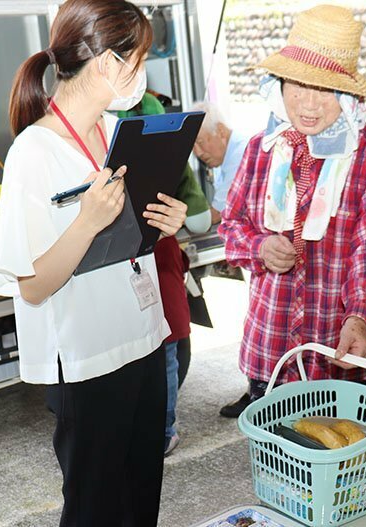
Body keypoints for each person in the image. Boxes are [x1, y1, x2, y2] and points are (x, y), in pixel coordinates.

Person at [0, 1, 187, 525]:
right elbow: (31, 286)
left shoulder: (120, 132)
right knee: (95, 509)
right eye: (137, 60)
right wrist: (86, 221)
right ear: (105, 64)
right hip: (87, 361)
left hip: (142, 339)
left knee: (142, 498)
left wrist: (165, 219)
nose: (141, 74)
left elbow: (130, 240)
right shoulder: (35, 152)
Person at [218, 4, 366, 418]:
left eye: (323, 89)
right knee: (277, 463)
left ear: (348, 94)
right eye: (296, 87)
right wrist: (260, 247)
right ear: (278, 85)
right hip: (273, 346)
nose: (308, 104)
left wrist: (359, 318)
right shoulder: (262, 148)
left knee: (343, 465)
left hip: (341, 351)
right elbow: (230, 227)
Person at [119, 91, 212, 455]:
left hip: (152, 260)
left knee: (162, 352)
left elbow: (197, 215)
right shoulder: (172, 160)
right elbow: (199, 214)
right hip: (157, 258)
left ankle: (161, 428)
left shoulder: (114, 153)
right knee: (165, 353)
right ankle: (162, 429)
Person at [192, 101, 249, 224]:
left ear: (220, 130)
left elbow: (216, 214)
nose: (198, 153)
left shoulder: (241, 155)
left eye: (200, 142)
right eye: (192, 147)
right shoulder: (225, 159)